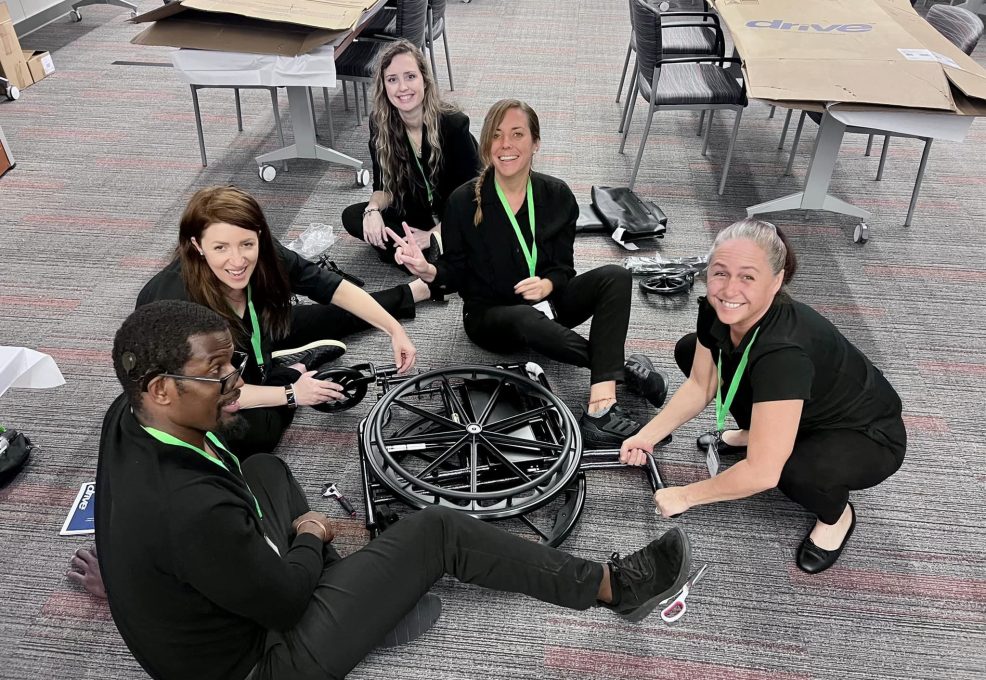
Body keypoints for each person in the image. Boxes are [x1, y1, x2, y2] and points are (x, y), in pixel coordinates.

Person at [91, 300, 694, 680]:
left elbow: (157, 522)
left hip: (199, 620)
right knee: (437, 530)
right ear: (161, 389)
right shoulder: (190, 511)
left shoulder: (129, 412)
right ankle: (615, 588)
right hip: (259, 661)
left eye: (233, 366)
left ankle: (366, 605)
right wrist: (308, 537)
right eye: (218, 375)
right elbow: (283, 604)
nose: (236, 384)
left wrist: (137, 580)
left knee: (266, 473)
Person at [620, 219, 906, 574]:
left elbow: (762, 474)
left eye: (748, 277)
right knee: (690, 349)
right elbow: (701, 384)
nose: (728, 289)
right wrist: (647, 435)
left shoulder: (784, 352)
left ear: (777, 281)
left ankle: (837, 516)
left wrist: (685, 496)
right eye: (719, 272)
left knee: (792, 470)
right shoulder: (717, 308)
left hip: (865, 433)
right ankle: (761, 434)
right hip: (798, 402)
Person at [387, 98, 668, 447]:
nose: (506, 145)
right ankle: (617, 378)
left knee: (616, 275)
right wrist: (428, 269)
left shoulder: (557, 195)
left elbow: (564, 268)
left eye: (517, 134)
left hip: (548, 303)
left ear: (535, 142)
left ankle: (601, 405)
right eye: (497, 135)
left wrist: (549, 282)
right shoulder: (462, 202)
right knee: (523, 317)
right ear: (487, 145)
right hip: (489, 317)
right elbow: (454, 275)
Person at [136, 185, 430, 457]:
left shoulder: (265, 254)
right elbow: (217, 394)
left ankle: (411, 292)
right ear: (197, 245)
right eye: (220, 248)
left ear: (259, 237)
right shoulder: (178, 309)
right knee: (254, 436)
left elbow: (331, 287)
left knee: (329, 315)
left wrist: (393, 328)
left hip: (251, 338)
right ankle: (289, 370)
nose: (237, 261)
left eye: (246, 244)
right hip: (196, 389)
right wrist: (292, 392)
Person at [341, 39, 481, 265]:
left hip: (457, 213)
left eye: (410, 76)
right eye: (392, 80)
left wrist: (434, 233)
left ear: (424, 80)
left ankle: (423, 258)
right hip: (414, 211)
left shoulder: (453, 124)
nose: (402, 88)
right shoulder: (380, 124)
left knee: (477, 229)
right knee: (354, 216)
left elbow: (475, 196)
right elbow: (383, 188)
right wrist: (372, 210)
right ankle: (426, 260)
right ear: (384, 86)